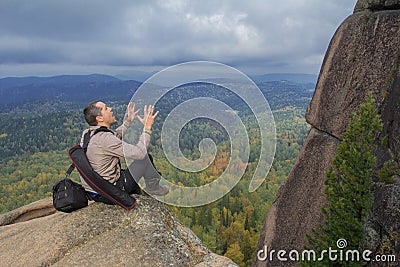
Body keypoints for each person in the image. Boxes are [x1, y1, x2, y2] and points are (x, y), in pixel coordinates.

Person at [80, 100, 169, 205]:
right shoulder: (105, 139)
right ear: (99, 118)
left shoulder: (88, 133)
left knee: (131, 172)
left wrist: (127, 122)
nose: (110, 109)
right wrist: (147, 128)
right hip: (111, 191)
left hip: (95, 190)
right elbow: (140, 153)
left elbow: (113, 136)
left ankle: (139, 192)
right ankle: (153, 188)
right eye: (106, 108)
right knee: (145, 158)